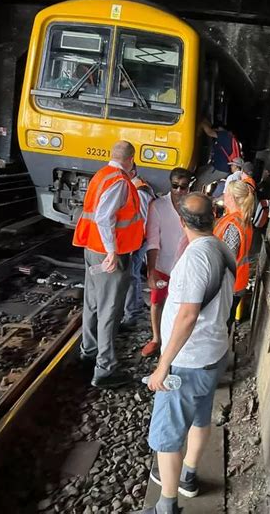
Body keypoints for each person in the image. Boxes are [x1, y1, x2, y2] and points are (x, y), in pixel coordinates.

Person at [142, 193, 236, 514]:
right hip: (213, 352)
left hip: (188, 361)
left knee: (167, 436)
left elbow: (187, 315)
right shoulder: (223, 247)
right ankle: (189, 475)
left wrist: (163, 366)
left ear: (182, 222)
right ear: (213, 217)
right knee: (200, 417)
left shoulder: (197, 258)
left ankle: (166, 507)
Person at [73, 140, 143, 388]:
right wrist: (113, 252)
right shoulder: (120, 182)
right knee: (109, 311)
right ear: (131, 159)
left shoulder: (101, 174)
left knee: (92, 304)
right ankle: (105, 369)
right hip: (110, 255)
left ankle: (88, 352)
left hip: (92, 250)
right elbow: (104, 217)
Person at [141, 167, 192, 357]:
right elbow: (152, 240)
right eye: (175, 186)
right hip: (163, 264)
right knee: (157, 301)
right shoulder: (158, 207)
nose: (179, 191)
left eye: (183, 187)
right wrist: (151, 269)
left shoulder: (192, 205)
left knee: (183, 303)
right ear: (170, 185)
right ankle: (156, 338)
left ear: (189, 187)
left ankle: (178, 339)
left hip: (185, 265)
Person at [214, 179, 254, 330]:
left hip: (228, 286)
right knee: (225, 326)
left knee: (219, 327)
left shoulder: (233, 225)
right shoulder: (241, 219)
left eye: (226, 192)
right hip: (237, 282)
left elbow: (227, 258)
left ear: (231, 197)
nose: (223, 195)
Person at [120, 164, 156, 330]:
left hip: (138, 241)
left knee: (132, 275)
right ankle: (136, 305)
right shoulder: (137, 187)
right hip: (137, 240)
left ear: (132, 172)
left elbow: (141, 221)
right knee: (132, 274)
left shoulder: (140, 191)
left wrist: (134, 245)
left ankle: (131, 313)